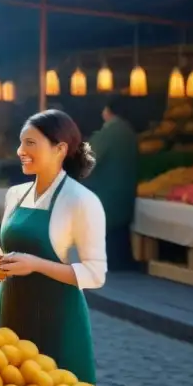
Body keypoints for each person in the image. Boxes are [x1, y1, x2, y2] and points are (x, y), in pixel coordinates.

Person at [0, 110, 106, 383]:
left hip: (58, 320)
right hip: (10, 311)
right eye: (20, 142)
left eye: (30, 143)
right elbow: (10, 255)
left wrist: (36, 265)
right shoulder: (15, 195)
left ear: (60, 149)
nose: (20, 151)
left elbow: (95, 274)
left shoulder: (81, 201)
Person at [84, 95, 138, 271]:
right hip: (126, 190)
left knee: (108, 232)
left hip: (106, 191)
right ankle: (122, 264)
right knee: (120, 232)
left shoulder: (109, 132)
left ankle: (110, 266)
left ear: (108, 111)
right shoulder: (129, 131)